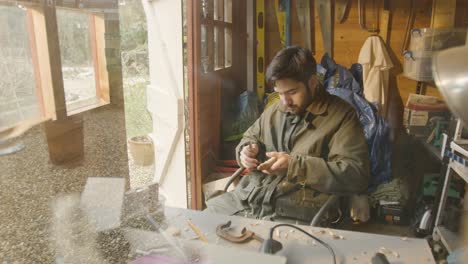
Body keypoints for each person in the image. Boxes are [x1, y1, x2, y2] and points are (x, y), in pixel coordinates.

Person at [206, 46, 370, 222]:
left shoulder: (342, 116)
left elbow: (356, 175)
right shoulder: (276, 109)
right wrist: (246, 151)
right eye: (280, 93)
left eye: (292, 92)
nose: (285, 101)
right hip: (251, 198)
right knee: (202, 224)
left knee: (262, 246)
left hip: (298, 210)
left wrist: (294, 166)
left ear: (313, 83)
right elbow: (250, 137)